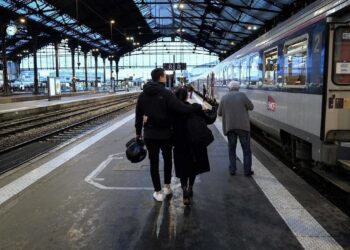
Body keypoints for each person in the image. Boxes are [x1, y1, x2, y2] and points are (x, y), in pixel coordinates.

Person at [135, 68, 202, 202]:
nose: (166, 78)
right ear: (160, 77)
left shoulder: (142, 95)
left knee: (153, 163)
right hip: (166, 134)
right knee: (167, 160)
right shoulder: (166, 94)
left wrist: (138, 133)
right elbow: (181, 108)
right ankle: (167, 186)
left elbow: (138, 116)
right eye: (165, 76)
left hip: (149, 134)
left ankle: (158, 192)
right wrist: (197, 107)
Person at [173, 88, 216, 205]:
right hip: (195, 142)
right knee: (193, 166)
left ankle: (184, 190)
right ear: (187, 97)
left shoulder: (173, 111)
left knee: (182, 168)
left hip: (179, 143)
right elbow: (209, 119)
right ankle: (191, 186)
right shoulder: (196, 108)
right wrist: (213, 108)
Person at [218, 81, 254, 176]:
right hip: (243, 127)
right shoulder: (242, 96)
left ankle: (232, 170)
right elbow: (251, 107)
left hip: (230, 127)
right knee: (246, 150)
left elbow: (219, 113)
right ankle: (247, 171)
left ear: (229, 88)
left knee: (232, 149)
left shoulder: (224, 97)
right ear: (238, 88)